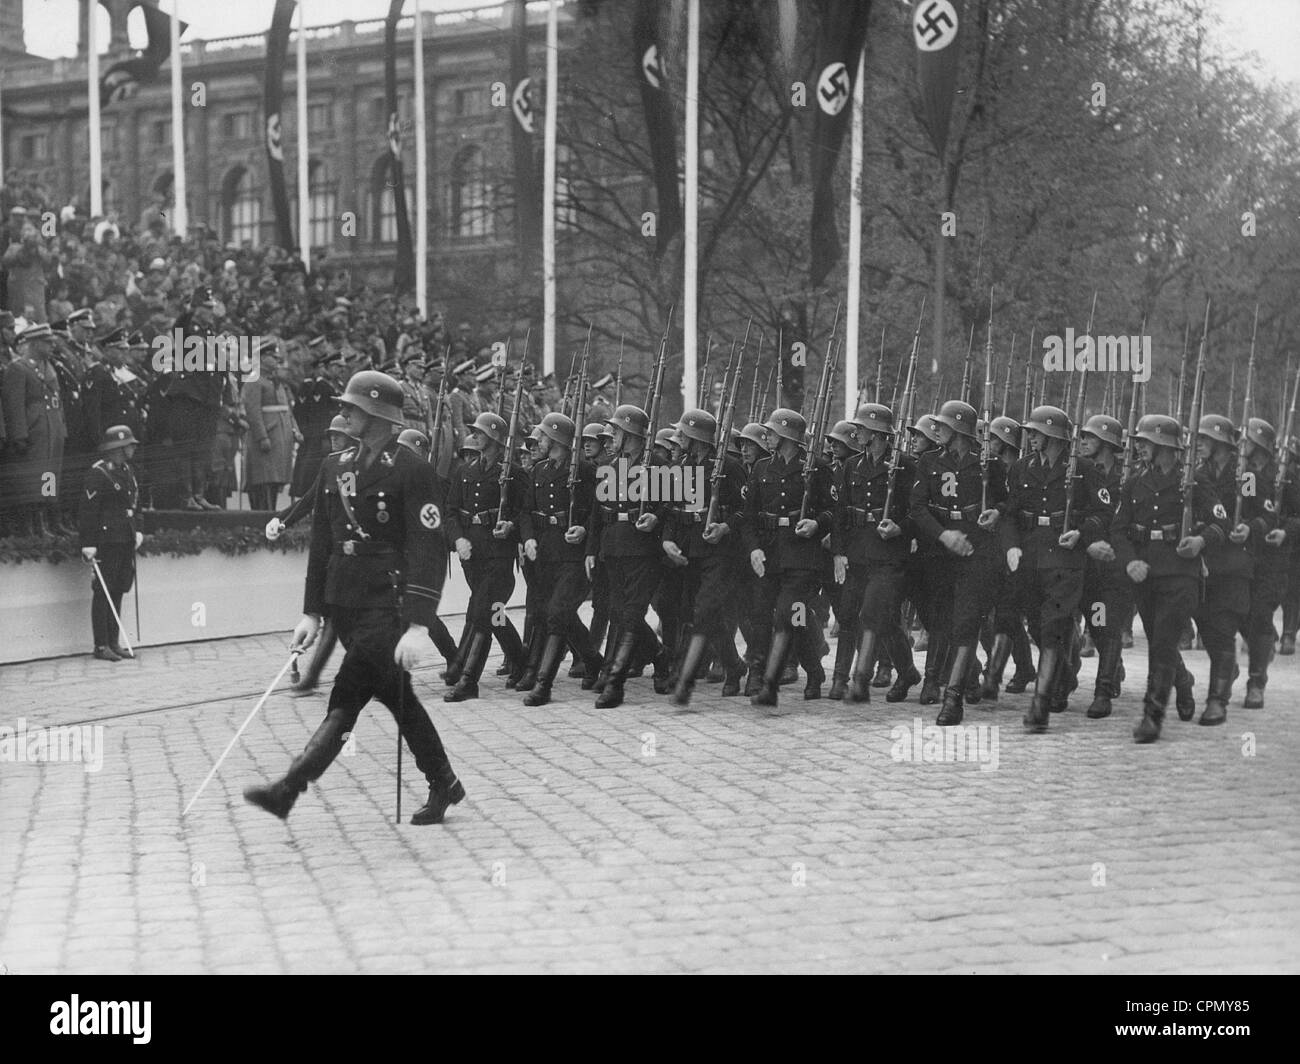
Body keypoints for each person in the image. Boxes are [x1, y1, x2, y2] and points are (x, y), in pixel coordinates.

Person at [243, 370, 465, 826]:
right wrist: (312, 612)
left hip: (388, 603)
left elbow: (427, 547)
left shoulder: (412, 470)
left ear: (378, 415)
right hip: (345, 601)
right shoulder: (334, 466)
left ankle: (288, 789)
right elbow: (322, 544)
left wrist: (420, 624)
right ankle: (444, 782)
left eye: (351, 408)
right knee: (397, 697)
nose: (342, 413)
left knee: (346, 696)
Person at [1111, 414, 1226, 743]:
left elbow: (1221, 522)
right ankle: (1183, 681)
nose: (1141, 447)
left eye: (1146, 442)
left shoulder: (1193, 483)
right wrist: (1130, 561)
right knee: (1157, 638)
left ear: (1164, 446)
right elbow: (1119, 530)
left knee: (1162, 643)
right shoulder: (1134, 483)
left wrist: (1202, 541)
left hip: (1180, 572)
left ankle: (1152, 715)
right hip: (1145, 572)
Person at [1001, 405, 1107, 732]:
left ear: (1053, 436)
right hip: (1032, 556)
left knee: (1053, 628)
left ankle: (1040, 704)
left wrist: (1083, 532)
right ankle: (1063, 677)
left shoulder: (1083, 469)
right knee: (1036, 624)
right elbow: (1010, 512)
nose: (1030, 437)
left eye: (1036, 433)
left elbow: (1103, 513)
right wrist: (1011, 545)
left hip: (1065, 558)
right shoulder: (1022, 468)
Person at [908, 399, 1008, 726]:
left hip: (976, 551)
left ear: (960, 430)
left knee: (965, 623)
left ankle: (953, 698)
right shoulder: (927, 462)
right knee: (943, 622)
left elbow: (1007, 504)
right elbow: (918, 509)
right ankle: (970, 672)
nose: (936, 430)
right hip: (939, 552)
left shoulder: (989, 464)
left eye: (943, 425)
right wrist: (943, 536)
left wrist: (996, 515)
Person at [742, 407, 834, 707]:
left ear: (787, 436)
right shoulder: (761, 469)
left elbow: (834, 510)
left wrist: (817, 524)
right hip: (769, 553)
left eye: (771, 432)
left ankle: (790, 676)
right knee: (759, 613)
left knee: (789, 615)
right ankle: (757, 670)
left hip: (802, 558)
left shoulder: (818, 468)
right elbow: (750, 516)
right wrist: (754, 547)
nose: (766, 436)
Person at [833, 403, 919, 703]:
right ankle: (907, 671)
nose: (856, 433)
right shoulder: (851, 466)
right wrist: (839, 552)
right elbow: (840, 512)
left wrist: (900, 528)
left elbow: (917, 511)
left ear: (879, 433)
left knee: (871, 614)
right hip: (857, 553)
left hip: (888, 555)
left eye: (862, 429)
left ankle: (860, 680)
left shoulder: (905, 466)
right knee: (871, 616)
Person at [515, 412, 603, 705]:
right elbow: (525, 511)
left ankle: (543, 684)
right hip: (544, 552)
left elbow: (598, 513)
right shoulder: (538, 470)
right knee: (555, 613)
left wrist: (585, 530)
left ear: (556, 439)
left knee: (556, 613)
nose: (536, 441)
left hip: (573, 555)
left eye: (541, 436)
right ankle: (594, 661)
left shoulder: (585, 471)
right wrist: (527, 537)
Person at [443, 411, 530, 700]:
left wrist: (512, 527)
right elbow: (451, 511)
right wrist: (458, 539)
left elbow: (524, 513)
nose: (474, 435)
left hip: (499, 554)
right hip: (473, 553)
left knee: (481, 612)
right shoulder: (464, 471)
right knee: (494, 613)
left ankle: (469, 680)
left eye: (479, 432)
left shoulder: (515, 474)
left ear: (494, 437)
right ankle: (520, 659)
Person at [663, 408, 748, 704]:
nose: (679, 439)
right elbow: (672, 511)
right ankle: (734, 665)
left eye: (684, 434)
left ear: (696, 437)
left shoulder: (729, 466)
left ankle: (685, 673)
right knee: (696, 612)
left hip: (720, 552)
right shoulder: (683, 464)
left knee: (705, 609)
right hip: (690, 549)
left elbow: (744, 509)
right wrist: (667, 541)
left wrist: (726, 526)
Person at [78, 425, 143, 662]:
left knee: (118, 589)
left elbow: (137, 504)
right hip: (106, 540)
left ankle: (114, 642)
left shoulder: (128, 471)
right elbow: (88, 511)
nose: (133, 449)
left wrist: (139, 530)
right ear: (118, 447)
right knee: (103, 591)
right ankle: (101, 644)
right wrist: (88, 542)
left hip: (125, 537)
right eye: (129, 445)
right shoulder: (98, 473)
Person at [1, 320, 67, 537]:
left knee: (48, 478)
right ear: (35, 343)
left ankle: (45, 521)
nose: (51, 346)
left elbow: (58, 399)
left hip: (51, 432)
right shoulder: (19, 367)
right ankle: (30, 525)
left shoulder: (49, 367)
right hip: (34, 431)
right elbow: (14, 404)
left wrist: (62, 428)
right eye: (46, 342)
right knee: (31, 481)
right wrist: (19, 435)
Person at [242, 340, 299, 510]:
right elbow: (253, 412)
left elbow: (287, 409)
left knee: (275, 479)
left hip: (280, 436)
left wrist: (295, 430)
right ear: (263, 358)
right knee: (264, 479)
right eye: (273, 357)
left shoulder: (276, 380)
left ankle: (270, 513)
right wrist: (262, 436)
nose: (277, 360)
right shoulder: (255, 379)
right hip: (268, 435)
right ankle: (262, 516)